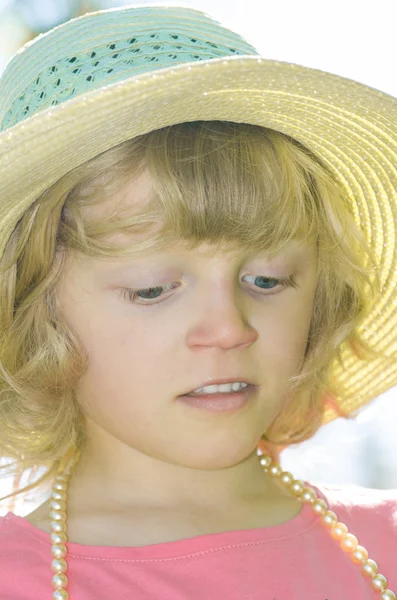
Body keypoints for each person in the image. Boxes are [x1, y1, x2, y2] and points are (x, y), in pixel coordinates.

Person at [0, 4, 396, 600]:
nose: (228, 327)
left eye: (266, 280)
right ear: (35, 312)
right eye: (153, 290)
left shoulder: (383, 544)